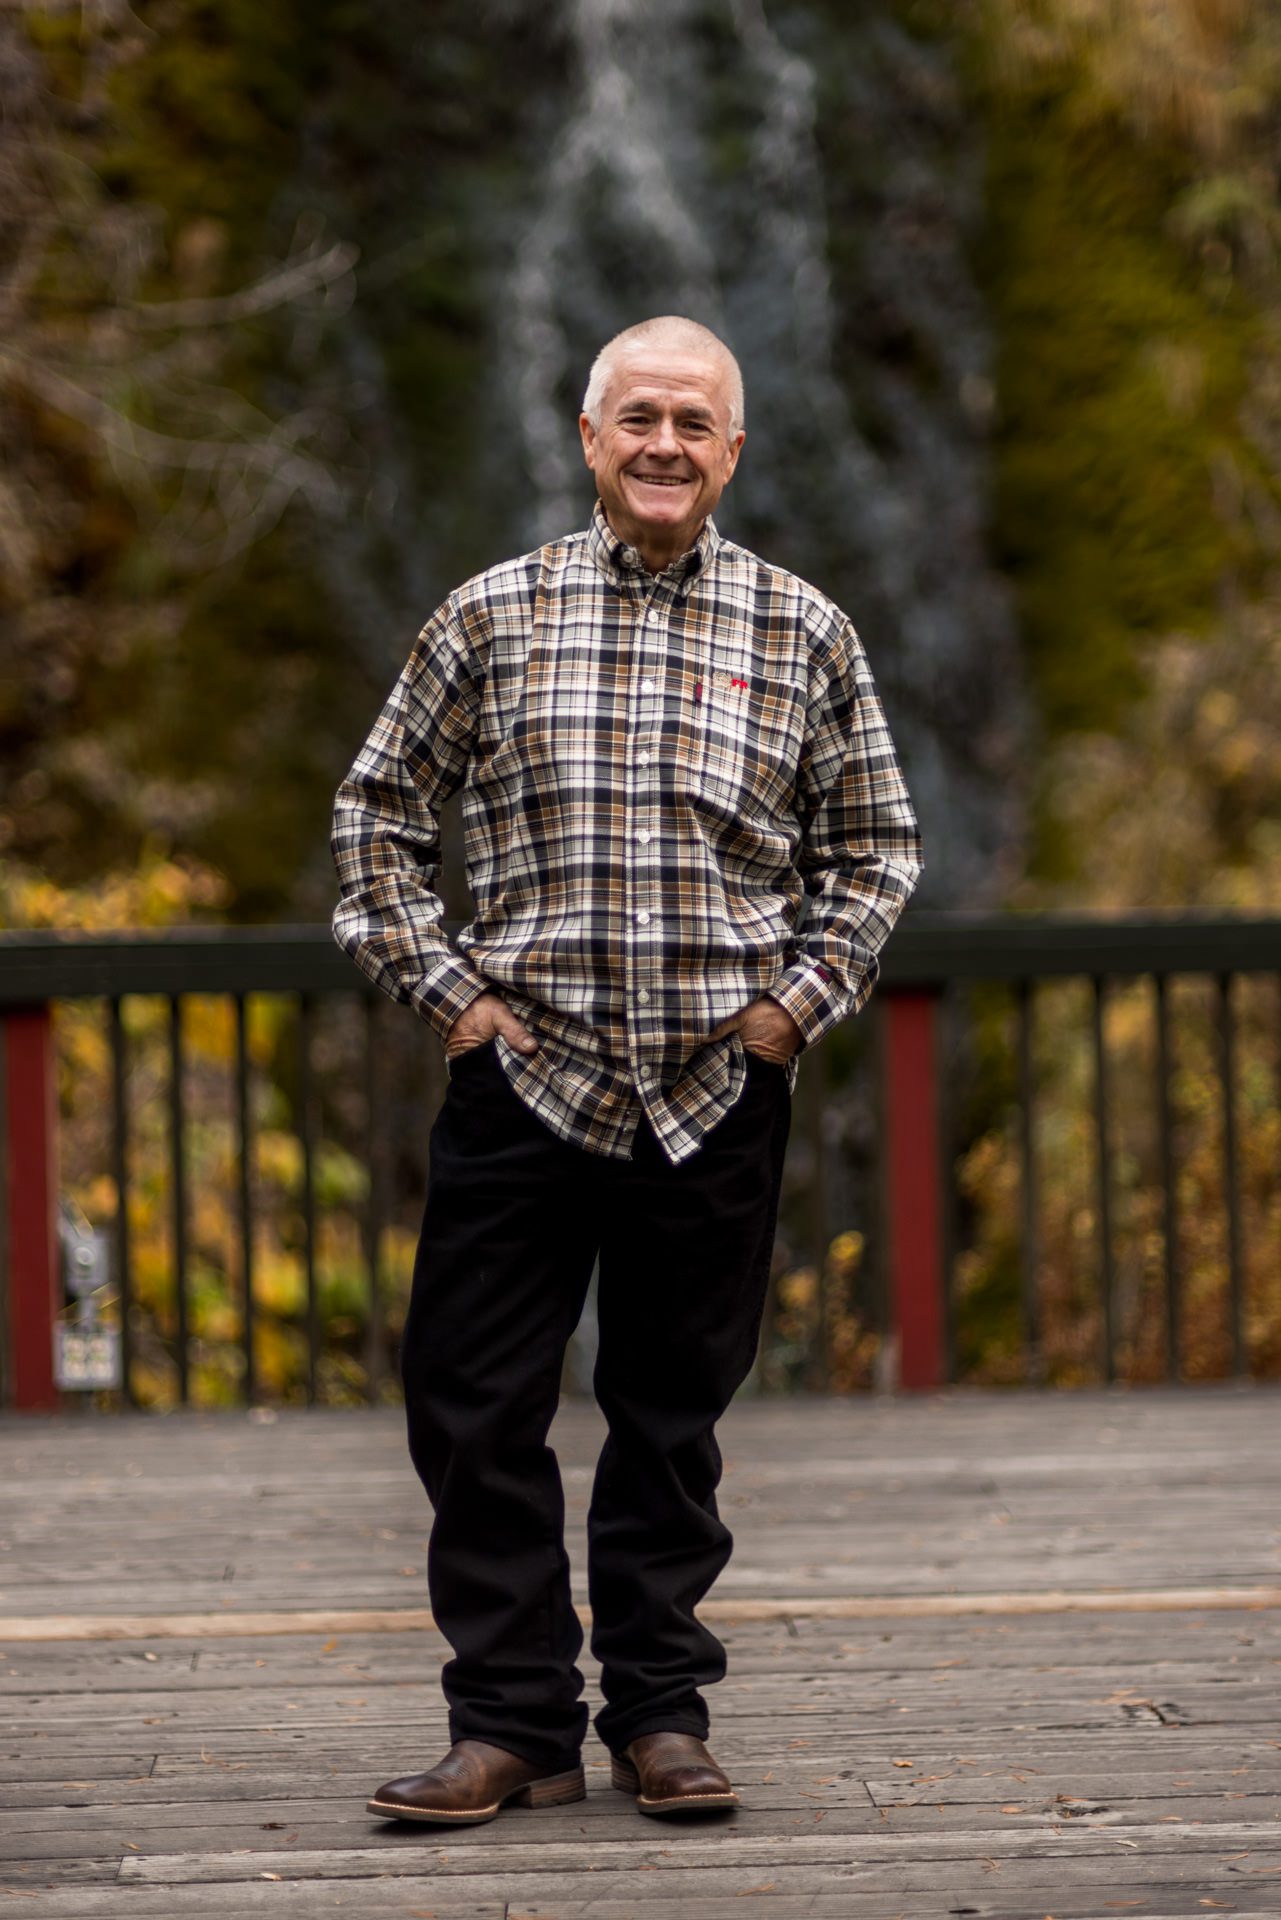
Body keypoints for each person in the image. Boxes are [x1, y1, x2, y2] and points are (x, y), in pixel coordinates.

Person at [331, 314, 922, 1828]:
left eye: (694, 422)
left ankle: (661, 1717)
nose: (664, 443)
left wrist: (790, 1009)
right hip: (521, 1079)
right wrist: (450, 995)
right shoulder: (489, 616)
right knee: (471, 1410)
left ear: (733, 452)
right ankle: (508, 1723)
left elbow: (874, 854)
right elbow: (376, 822)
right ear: (589, 437)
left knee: (674, 1417)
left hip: (716, 1092)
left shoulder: (804, 630)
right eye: (637, 416)